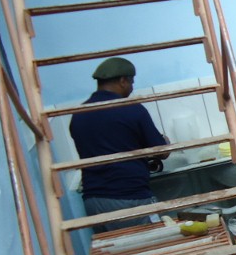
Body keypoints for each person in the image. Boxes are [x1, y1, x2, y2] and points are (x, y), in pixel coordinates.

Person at [69, 57, 169, 232]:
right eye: (131, 82)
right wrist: (165, 141)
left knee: (114, 249)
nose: (132, 88)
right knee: (154, 245)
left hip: (93, 203)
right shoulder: (131, 109)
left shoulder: (78, 115)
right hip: (130, 199)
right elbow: (162, 151)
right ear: (123, 81)